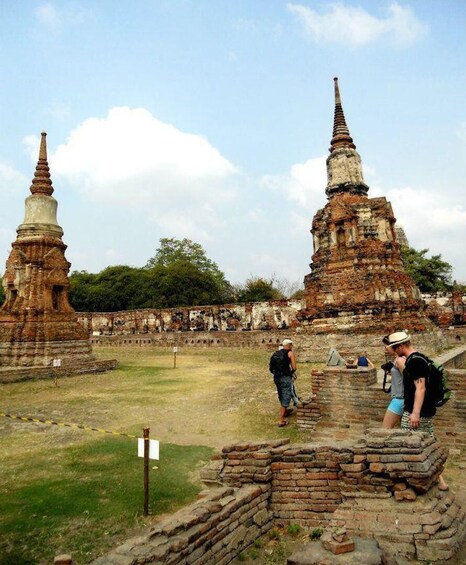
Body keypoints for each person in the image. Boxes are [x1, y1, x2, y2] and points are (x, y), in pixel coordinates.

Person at [383, 331, 448, 490]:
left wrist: (415, 413)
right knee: (427, 444)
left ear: (401, 346)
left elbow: (421, 388)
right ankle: (439, 481)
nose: (394, 351)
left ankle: (416, 482)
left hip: (418, 411)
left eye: (395, 347)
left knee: (412, 445)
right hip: (420, 410)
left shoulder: (415, 361)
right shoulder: (418, 359)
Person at [381, 337, 405, 428]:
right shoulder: (399, 359)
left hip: (400, 398)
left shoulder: (400, 360)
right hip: (400, 397)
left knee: (385, 429)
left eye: (386, 346)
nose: (385, 349)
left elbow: (408, 378)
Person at [272, 339, 297, 427]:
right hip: (285, 377)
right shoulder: (290, 353)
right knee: (286, 395)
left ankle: (285, 411)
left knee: (281, 394)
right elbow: (294, 367)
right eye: (291, 345)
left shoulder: (277, 353)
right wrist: (292, 373)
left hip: (276, 377)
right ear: (289, 345)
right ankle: (281, 420)